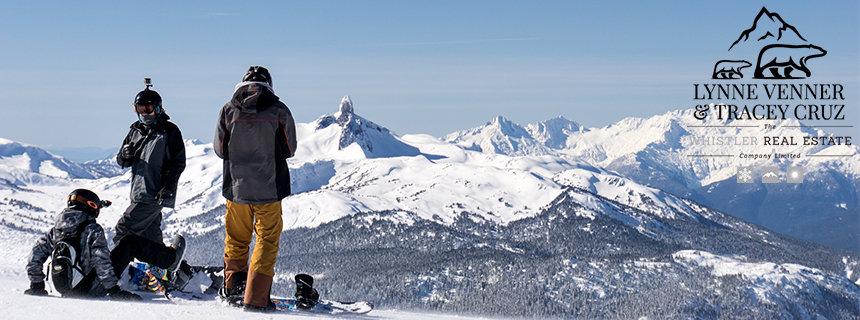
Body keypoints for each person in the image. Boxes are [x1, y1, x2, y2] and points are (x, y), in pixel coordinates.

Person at [214, 66, 297, 312]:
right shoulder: (279, 110)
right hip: (269, 190)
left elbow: (220, 149)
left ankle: (233, 288)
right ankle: (256, 299)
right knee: (266, 241)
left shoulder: (228, 110)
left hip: (236, 189)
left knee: (236, 239)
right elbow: (289, 149)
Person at [114, 78, 186, 277]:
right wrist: (124, 156)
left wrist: (168, 186)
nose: (145, 114)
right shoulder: (135, 131)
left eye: (149, 109)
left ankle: (114, 272)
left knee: (124, 229)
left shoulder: (169, 131)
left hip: (155, 193)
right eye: (140, 109)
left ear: (159, 109)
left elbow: (177, 163)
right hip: (137, 192)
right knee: (150, 237)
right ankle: (170, 271)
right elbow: (122, 161)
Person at [25, 189, 141, 300]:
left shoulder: (55, 231)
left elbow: (35, 255)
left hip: (64, 289)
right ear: (91, 206)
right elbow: (100, 260)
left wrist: (37, 285)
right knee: (129, 242)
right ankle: (153, 266)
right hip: (92, 289)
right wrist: (114, 290)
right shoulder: (92, 229)